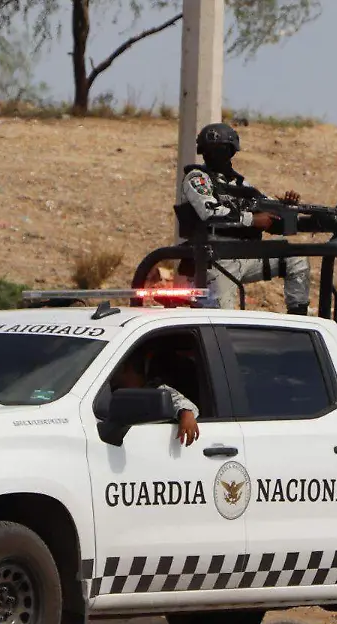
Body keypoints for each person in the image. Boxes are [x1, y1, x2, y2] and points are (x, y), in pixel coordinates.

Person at [179, 122, 311, 316]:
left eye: (222, 149)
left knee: (296, 260)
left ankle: (299, 319)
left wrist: (284, 208)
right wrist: (252, 220)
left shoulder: (239, 183)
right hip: (214, 259)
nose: (215, 154)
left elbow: (265, 206)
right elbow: (210, 212)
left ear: (231, 151)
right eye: (211, 149)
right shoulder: (197, 178)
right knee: (220, 322)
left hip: (246, 254)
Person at [110, 351, 200, 447]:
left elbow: (180, 401)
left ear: (123, 368)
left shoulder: (154, 389)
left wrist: (186, 414)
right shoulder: (107, 390)